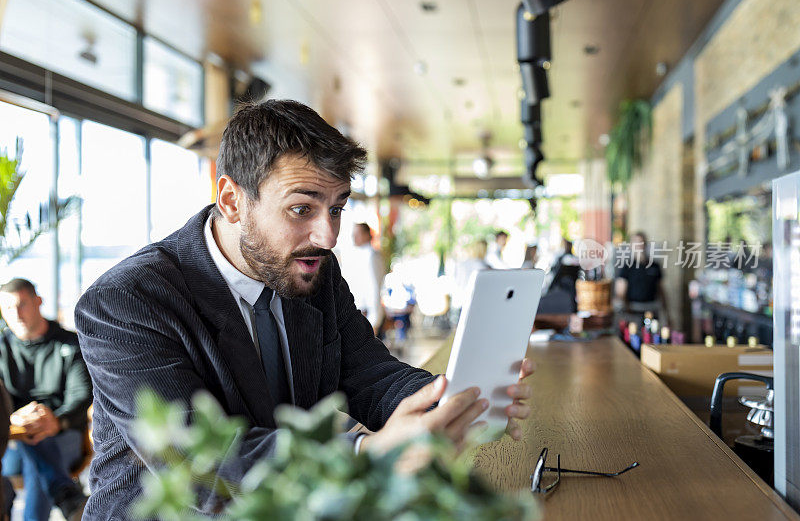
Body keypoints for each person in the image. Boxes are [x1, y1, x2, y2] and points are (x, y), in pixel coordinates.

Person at [74, 100, 535, 519]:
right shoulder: (125, 302)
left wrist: (447, 398)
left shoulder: (315, 271)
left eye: (336, 208)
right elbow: (199, 467)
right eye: (301, 209)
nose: (328, 236)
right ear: (232, 200)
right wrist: (362, 453)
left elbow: (370, 375)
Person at [0, 278, 90, 521]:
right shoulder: (1, 348)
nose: (16, 314)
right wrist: (14, 420)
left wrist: (56, 421)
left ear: (38, 301)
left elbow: (81, 395)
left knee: (36, 448)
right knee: (32, 443)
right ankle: (66, 497)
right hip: (12, 442)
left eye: (22, 304)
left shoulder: (71, 344)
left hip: (65, 434)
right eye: (8, 308)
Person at [615, 231, 671, 325]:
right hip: (633, 311)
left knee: (652, 338)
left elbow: (661, 290)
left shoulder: (655, 266)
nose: (639, 246)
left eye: (641, 242)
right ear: (631, 246)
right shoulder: (627, 267)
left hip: (652, 310)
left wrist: (667, 313)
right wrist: (624, 308)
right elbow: (620, 292)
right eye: (636, 243)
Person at [340, 223, 385, 335]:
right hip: (357, 312)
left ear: (367, 235)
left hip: (367, 314)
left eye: (358, 234)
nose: (354, 237)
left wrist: (374, 319)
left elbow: (374, 287)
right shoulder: (357, 254)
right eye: (353, 234)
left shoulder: (371, 255)